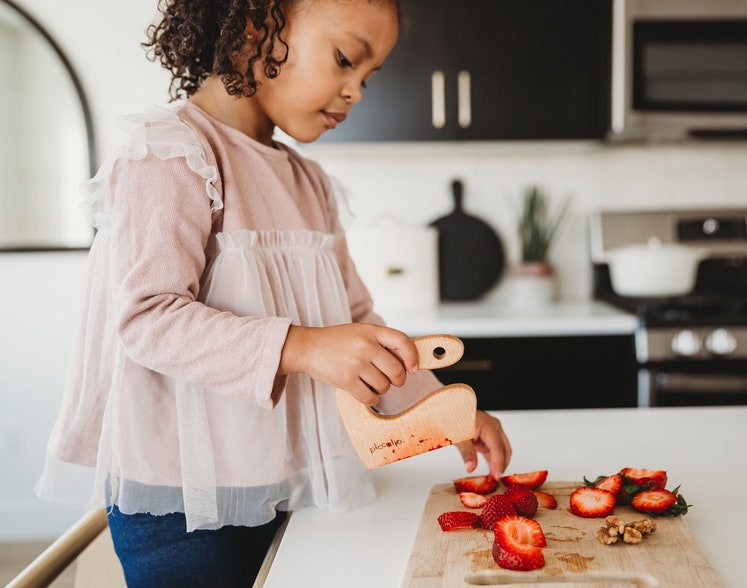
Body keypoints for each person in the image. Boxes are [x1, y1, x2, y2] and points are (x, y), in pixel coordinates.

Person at [35, 0, 512, 586]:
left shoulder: (310, 184)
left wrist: (442, 411)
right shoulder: (171, 154)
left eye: (366, 76)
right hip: (182, 502)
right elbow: (148, 320)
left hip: (287, 484)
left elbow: (361, 321)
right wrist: (305, 347)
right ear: (256, 23)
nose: (355, 91)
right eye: (344, 60)